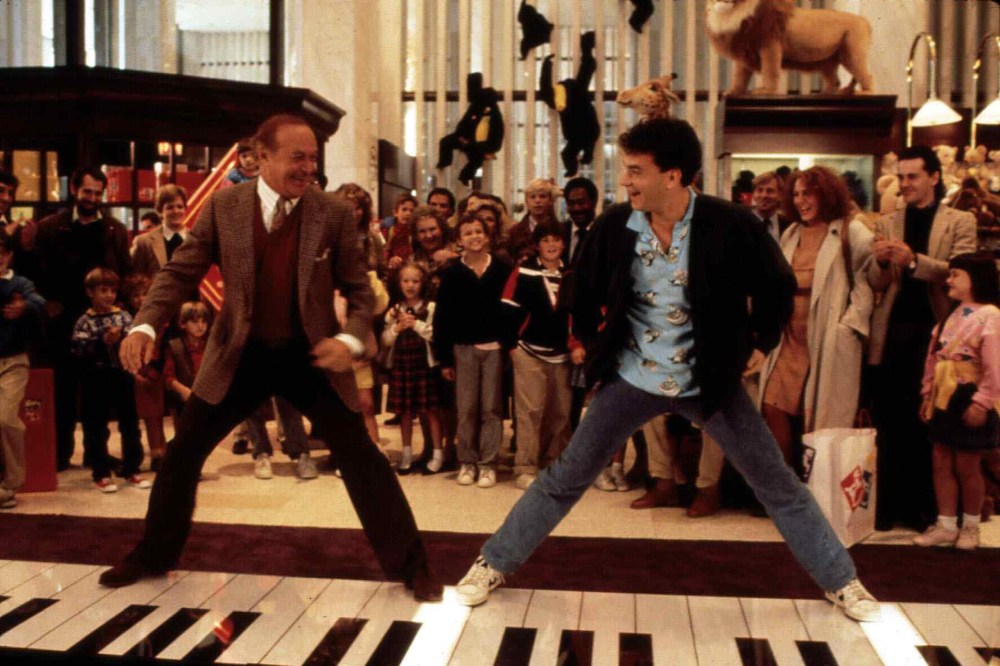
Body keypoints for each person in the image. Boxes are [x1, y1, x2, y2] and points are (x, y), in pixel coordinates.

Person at [453, 118, 881, 623]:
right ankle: (492, 563)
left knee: (778, 485)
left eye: (636, 171)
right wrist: (593, 346)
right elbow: (580, 290)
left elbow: (776, 285)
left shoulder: (730, 223)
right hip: (632, 380)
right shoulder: (616, 225)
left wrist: (762, 342)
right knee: (563, 478)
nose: (625, 181)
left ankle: (842, 581)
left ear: (673, 176)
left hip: (710, 383)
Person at [98, 114, 441, 602]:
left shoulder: (332, 213)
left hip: (313, 355)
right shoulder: (224, 206)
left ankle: (413, 567)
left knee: (363, 458)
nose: (308, 168)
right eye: (297, 157)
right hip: (241, 354)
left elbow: (360, 290)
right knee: (183, 452)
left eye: (313, 159)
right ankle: (153, 555)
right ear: (262, 157)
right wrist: (145, 324)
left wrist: (349, 341)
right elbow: (179, 273)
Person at [868, 145, 978, 531]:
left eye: (912, 176)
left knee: (929, 422)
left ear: (934, 176)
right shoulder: (887, 221)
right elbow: (874, 282)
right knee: (891, 419)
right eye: (901, 177)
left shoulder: (960, 220)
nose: (905, 183)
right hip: (893, 331)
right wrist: (881, 262)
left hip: (939, 331)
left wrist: (914, 261)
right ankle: (889, 508)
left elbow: (961, 272)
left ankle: (925, 510)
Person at [757, 166, 874, 468]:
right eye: (796, 194)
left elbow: (868, 282)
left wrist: (847, 327)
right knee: (772, 405)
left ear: (826, 194)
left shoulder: (852, 231)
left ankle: (815, 484)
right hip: (789, 338)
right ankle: (785, 482)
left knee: (819, 417)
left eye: (807, 193)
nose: (800, 201)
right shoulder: (791, 233)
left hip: (825, 337)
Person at [35, 166, 132, 471]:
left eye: (97, 193)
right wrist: (47, 304)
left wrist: (119, 315)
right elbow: (37, 272)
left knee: (98, 395)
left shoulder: (116, 230)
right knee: (62, 392)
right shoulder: (50, 227)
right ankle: (60, 454)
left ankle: (96, 453)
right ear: (74, 189)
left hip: (103, 324)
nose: (92, 198)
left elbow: (125, 274)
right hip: (63, 322)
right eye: (87, 191)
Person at [914, 252, 1000, 550]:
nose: (948, 280)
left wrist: (982, 402)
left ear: (976, 279)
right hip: (944, 395)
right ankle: (946, 524)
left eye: (955, 275)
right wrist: (928, 393)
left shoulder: (990, 315)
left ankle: (971, 526)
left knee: (967, 465)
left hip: (969, 394)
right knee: (941, 461)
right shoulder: (951, 314)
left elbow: (994, 366)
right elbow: (933, 357)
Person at [433, 213, 513, 488]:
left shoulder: (502, 268)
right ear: (459, 240)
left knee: (492, 408)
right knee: (466, 409)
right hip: (463, 349)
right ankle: (467, 461)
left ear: (487, 235)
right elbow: (442, 318)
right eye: (468, 233)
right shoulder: (452, 273)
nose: (474, 237)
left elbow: (510, 310)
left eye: (479, 231)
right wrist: (445, 359)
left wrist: (509, 345)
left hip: (494, 349)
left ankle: (488, 463)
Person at [502, 220, 577, 490]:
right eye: (545, 240)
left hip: (562, 355)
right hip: (528, 352)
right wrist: (511, 346)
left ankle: (553, 464)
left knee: (561, 413)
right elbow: (507, 308)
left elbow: (578, 314)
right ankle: (525, 467)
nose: (551, 245)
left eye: (556, 240)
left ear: (564, 244)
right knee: (530, 412)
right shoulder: (524, 271)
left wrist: (576, 345)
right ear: (537, 245)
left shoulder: (571, 274)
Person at [71, 267, 149, 492]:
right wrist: (101, 341)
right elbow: (78, 350)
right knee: (96, 426)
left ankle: (132, 468)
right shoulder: (84, 321)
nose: (109, 295)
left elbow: (133, 341)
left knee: (130, 424)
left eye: (112, 291)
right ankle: (101, 472)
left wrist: (121, 338)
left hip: (121, 375)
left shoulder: (123, 316)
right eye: (103, 290)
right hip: (95, 378)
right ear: (90, 292)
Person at [0, 235, 46, 509]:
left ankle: (11, 484)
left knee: (6, 420)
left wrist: (24, 306)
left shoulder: (20, 283)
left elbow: (39, 302)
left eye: (2, 252)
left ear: (9, 255)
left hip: (14, 360)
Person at [383, 263, 443, 474]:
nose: (410, 285)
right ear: (399, 283)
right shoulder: (394, 310)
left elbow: (436, 334)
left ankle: (437, 453)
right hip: (402, 364)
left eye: (415, 281)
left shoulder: (431, 307)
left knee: (431, 410)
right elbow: (385, 339)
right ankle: (407, 453)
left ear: (423, 283)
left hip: (424, 365)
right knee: (405, 411)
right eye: (405, 281)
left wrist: (415, 324)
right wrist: (397, 328)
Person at [122, 274, 167, 471]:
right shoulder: (125, 320)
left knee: (158, 414)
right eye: (136, 295)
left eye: (145, 294)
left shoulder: (160, 319)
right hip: (135, 372)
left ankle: (162, 451)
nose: (141, 299)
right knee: (142, 417)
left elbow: (165, 347)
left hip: (158, 370)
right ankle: (147, 453)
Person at [132, 185, 189, 281]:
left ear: (185, 209)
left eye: (180, 206)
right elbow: (136, 278)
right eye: (170, 207)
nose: (176, 211)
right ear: (160, 211)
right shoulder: (144, 242)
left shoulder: (195, 240)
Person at [507, 179, 560, 264]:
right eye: (532, 197)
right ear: (526, 202)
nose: (537, 201)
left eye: (542, 196)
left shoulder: (560, 229)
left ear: (550, 201)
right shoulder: (514, 232)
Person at [751, 171, 790, 243]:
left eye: (770, 191)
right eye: (760, 190)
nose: (764, 195)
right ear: (753, 194)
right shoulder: (741, 224)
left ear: (780, 195)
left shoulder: (789, 226)